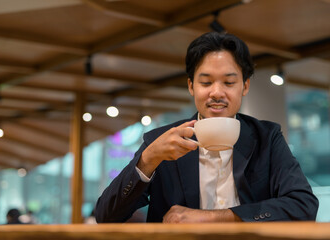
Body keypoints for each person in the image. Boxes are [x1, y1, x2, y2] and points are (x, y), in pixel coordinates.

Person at [95, 32, 319, 223]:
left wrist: (212, 217)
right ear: (191, 86)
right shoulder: (162, 141)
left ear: (245, 86)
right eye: (206, 82)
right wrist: (149, 159)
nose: (217, 93)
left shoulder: (267, 138)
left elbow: (303, 205)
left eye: (229, 82)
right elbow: (106, 215)